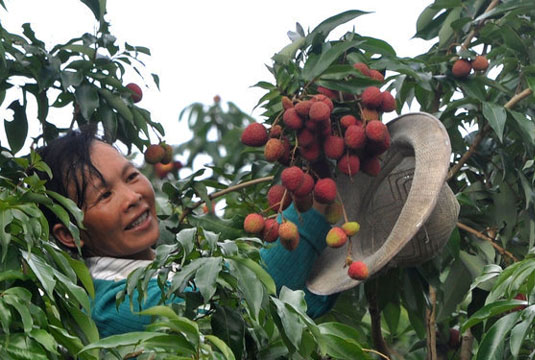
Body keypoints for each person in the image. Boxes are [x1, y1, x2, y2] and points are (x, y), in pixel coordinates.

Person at [37, 126, 337, 338]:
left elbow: (298, 309)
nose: (132, 197)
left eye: (131, 176)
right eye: (104, 196)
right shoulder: (109, 307)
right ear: (69, 233)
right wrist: (313, 188)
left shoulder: (180, 265)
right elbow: (247, 305)